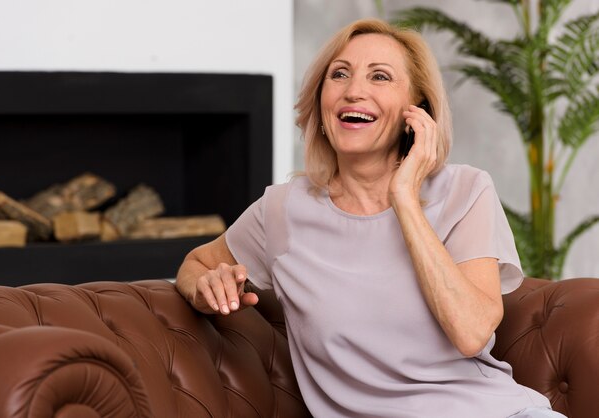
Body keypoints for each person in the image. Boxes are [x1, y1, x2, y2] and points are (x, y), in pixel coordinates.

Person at [176, 18, 567, 418]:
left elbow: (470, 333)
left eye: (379, 77)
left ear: (415, 111)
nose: (353, 91)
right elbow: (197, 264)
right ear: (321, 102)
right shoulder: (282, 211)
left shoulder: (465, 192)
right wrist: (204, 288)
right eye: (339, 74)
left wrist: (404, 197)